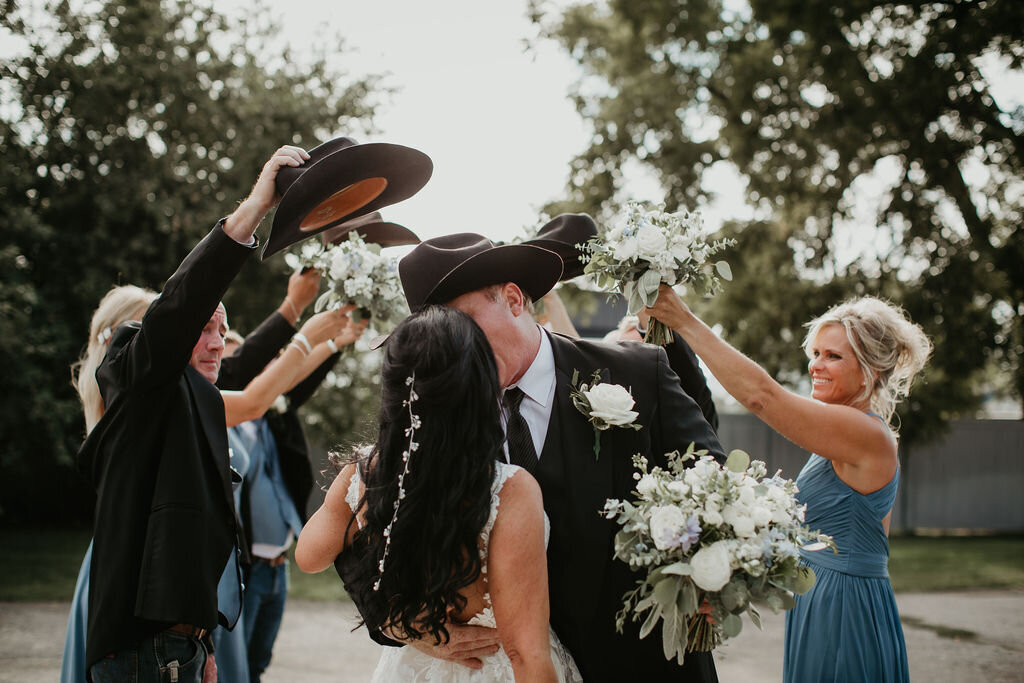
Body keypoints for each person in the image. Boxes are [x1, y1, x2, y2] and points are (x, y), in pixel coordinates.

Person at [337, 233, 723, 682]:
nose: (458, 346)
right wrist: (394, 620)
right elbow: (363, 534)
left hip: (644, 665)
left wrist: (712, 572)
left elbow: (712, 483)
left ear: (514, 299)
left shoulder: (638, 372)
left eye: (464, 322)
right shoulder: (433, 417)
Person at [75, 143, 346, 683]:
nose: (219, 343)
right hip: (141, 649)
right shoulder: (143, 380)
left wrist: (201, 644)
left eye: (223, 330)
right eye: (205, 328)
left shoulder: (191, 401)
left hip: (182, 647)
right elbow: (183, 310)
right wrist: (256, 207)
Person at [644, 286, 931, 683]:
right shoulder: (846, 433)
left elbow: (763, 397)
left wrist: (686, 322)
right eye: (815, 353)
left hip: (842, 609)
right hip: (828, 599)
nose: (817, 365)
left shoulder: (866, 434)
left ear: (871, 369)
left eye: (833, 356)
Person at [296, 305, 583, 682]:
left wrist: (395, 619)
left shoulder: (365, 473)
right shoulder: (510, 491)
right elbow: (526, 655)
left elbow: (309, 556)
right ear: (478, 385)